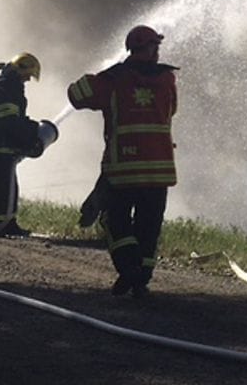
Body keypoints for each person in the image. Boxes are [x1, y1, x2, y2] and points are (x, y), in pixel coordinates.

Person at [68, 25, 178, 298]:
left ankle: (129, 269)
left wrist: (103, 73)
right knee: (149, 226)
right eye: (155, 46)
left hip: (123, 170)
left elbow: (76, 95)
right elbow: (172, 109)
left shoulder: (114, 79)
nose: (158, 51)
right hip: (159, 172)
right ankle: (141, 279)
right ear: (150, 48)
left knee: (114, 220)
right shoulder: (167, 79)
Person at [0, 53, 46, 238]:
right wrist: (29, 133)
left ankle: (7, 223)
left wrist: (30, 129)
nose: (28, 79)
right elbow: (8, 121)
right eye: (27, 75)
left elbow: (15, 119)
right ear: (20, 69)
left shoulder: (11, 86)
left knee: (9, 187)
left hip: (2, 146)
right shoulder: (2, 88)